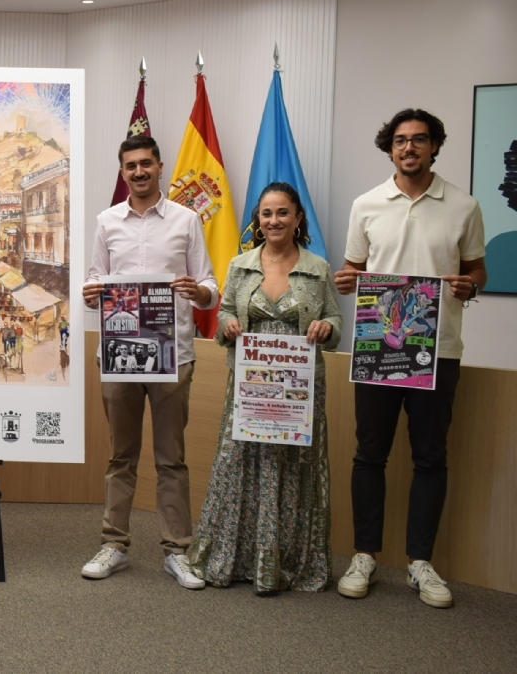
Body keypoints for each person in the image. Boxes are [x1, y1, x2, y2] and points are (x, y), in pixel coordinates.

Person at [334, 108, 486, 609]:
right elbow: (354, 268)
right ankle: (365, 556)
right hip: (379, 349)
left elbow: (476, 272)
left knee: (430, 457)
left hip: (437, 350)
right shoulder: (367, 204)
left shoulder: (463, 206)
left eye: (420, 140)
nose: (409, 148)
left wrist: (471, 286)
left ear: (435, 146)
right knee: (368, 454)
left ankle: (421, 563)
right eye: (400, 140)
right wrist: (347, 279)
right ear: (390, 147)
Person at [188, 182, 341, 594]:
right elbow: (223, 317)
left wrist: (327, 328)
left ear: (297, 218)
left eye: (283, 213)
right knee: (241, 464)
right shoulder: (240, 265)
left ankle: (287, 562)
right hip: (250, 388)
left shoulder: (318, 268)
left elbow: (335, 323)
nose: (274, 221)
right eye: (266, 213)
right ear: (258, 219)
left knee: (294, 470)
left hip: (299, 392)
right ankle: (236, 558)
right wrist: (228, 324)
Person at [81, 134, 216, 589]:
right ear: (123, 172)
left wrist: (200, 293)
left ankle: (177, 551)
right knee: (121, 455)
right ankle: (114, 544)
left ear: (160, 167)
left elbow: (211, 285)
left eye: (146, 164)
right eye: (130, 166)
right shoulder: (106, 222)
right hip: (119, 357)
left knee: (171, 458)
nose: (138, 172)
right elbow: (94, 283)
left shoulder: (187, 220)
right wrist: (90, 292)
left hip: (171, 355)